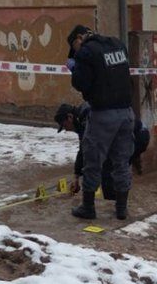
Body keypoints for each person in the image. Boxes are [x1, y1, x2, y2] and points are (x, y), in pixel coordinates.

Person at [65, 24, 136, 220]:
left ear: (80, 38)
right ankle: (122, 208)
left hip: (103, 115)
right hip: (126, 113)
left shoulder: (86, 52)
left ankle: (88, 208)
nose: (76, 51)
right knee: (122, 162)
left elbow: (81, 83)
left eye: (74, 46)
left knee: (93, 160)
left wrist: (74, 68)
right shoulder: (117, 44)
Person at [54, 103, 149, 201]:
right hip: (135, 134)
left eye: (65, 125)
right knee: (113, 170)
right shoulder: (82, 119)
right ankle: (118, 202)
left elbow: (87, 149)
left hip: (138, 136)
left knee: (109, 172)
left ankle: (115, 204)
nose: (66, 129)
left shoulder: (87, 117)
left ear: (70, 117)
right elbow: (84, 148)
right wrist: (76, 176)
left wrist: (79, 176)